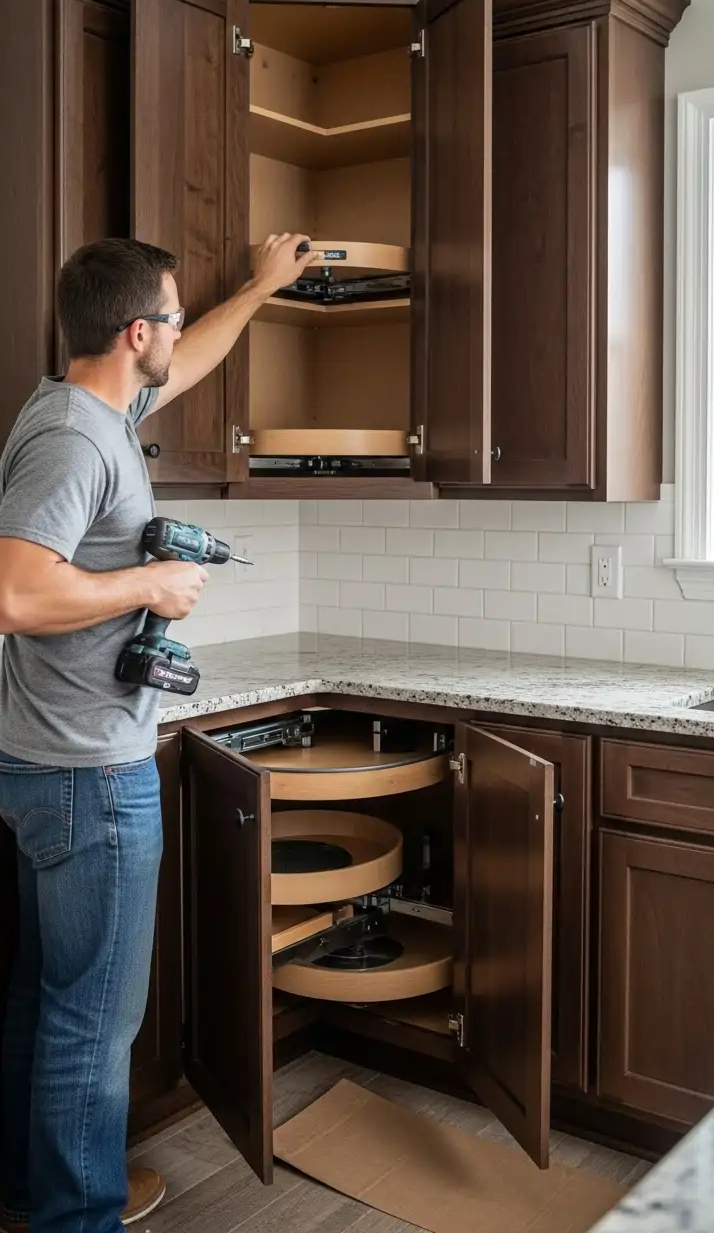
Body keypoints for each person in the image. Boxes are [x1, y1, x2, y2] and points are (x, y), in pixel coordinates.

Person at [0, 233, 316, 1233]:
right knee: (93, 1021)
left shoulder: (94, 408)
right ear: (136, 332)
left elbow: (194, 355)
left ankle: (34, 1194)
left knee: (47, 998)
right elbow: (14, 592)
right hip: (89, 773)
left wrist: (259, 288)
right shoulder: (75, 440)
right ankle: (77, 1217)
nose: (180, 333)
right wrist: (150, 584)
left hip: (49, 760)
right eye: (171, 319)